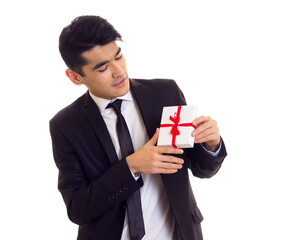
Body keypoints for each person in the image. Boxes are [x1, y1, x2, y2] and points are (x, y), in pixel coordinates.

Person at [49, 15, 227, 240]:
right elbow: (78, 208)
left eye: (119, 56)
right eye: (103, 68)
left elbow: (202, 168)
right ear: (75, 77)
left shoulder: (165, 93)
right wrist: (131, 167)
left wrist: (211, 145)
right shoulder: (66, 125)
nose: (119, 71)